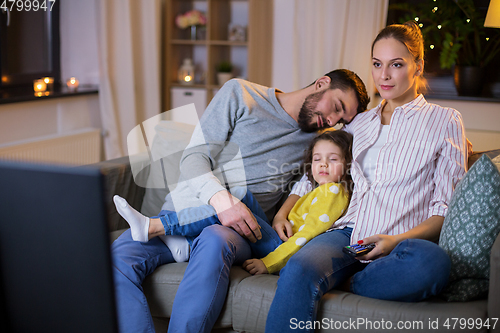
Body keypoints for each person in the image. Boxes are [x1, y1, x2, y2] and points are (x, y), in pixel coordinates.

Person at [111, 69, 370, 333]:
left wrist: (280, 215)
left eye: (340, 119)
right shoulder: (241, 94)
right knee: (117, 259)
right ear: (322, 83)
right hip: (180, 212)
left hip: (235, 231)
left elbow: (310, 186)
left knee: (215, 238)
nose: (332, 119)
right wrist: (222, 201)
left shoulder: (320, 145)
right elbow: (194, 157)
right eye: (336, 107)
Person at [265, 21, 468, 332]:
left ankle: (353, 282)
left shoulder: (444, 121)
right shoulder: (359, 123)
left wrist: (394, 241)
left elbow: (445, 208)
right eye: (377, 64)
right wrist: (282, 212)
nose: (384, 75)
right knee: (300, 266)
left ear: (418, 66)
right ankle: (337, 272)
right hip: (348, 237)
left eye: (396, 65)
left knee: (433, 263)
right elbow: (317, 172)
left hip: (401, 242)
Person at [243, 130, 353, 275]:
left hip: (282, 247)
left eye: (333, 159)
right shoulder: (319, 189)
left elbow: (307, 235)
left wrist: (268, 263)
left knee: (236, 202)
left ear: (348, 165)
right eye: (317, 159)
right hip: (281, 240)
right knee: (239, 198)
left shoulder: (332, 192)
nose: (323, 164)